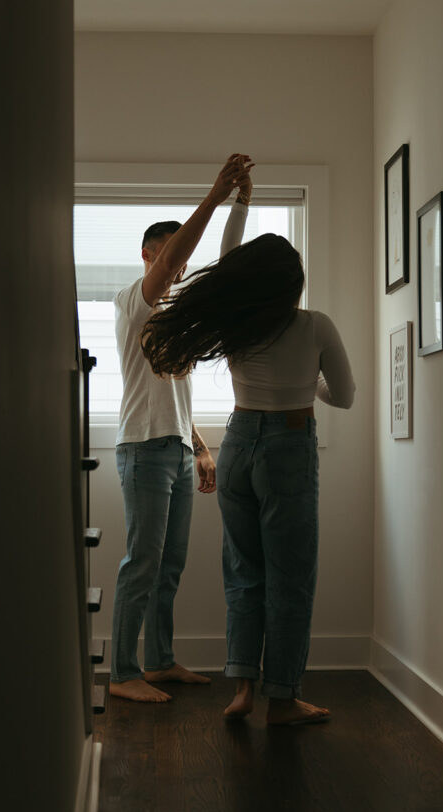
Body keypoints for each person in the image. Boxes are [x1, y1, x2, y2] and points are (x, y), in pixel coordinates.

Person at [141, 229, 356, 725]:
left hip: (236, 445)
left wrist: (238, 203)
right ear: (291, 286)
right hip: (288, 445)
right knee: (290, 578)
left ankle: (241, 689)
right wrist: (309, 380)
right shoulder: (314, 325)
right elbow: (342, 395)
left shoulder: (234, 323)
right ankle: (281, 698)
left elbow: (227, 261)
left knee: (243, 572)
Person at [110, 154, 254, 704]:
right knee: (140, 563)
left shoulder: (176, 317)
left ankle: (159, 662)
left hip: (172, 448)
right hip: (142, 450)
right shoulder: (133, 302)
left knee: (169, 565)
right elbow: (174, 262)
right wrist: (215, 195)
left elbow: (174, 392)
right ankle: (122, 673)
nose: (179, 268)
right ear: (151, 255)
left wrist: (200, 448)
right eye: (171, 256)